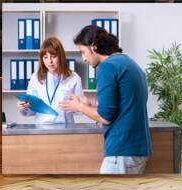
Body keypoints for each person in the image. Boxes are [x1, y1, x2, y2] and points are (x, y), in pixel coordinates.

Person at [58, 25, 151, 174]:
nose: (83, 58)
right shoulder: (128, 63)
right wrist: (92, 105)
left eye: (83, 52)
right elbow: (124, 104)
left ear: (94, 47)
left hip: (121, 152)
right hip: (137, 150)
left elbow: (105, 117)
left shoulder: (107, 67)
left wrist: (79, 107)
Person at [17, 37, 83, 124]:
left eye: (53, 56)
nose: (50, 61)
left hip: (65, 129)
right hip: (41, 129)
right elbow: (30, 111)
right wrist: (23, 106)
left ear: (61, 56)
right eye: (45, 57)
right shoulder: (36, 78)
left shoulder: (74, 78)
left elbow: (79, 110)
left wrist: (80, 106)